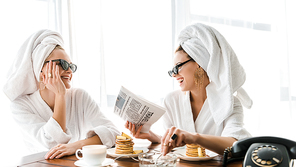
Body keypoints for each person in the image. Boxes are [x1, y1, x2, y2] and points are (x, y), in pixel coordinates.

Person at [125, 23, 253, 156]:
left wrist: (194, 137)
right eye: (172, 70)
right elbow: (175, 144)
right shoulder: (171, 101)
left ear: (199, 63)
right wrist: (153, 136)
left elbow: (235, 144)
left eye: (178, 67)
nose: (174, 74)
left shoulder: (230, 103)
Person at [3, 29, 120, 159]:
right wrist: (60, 95)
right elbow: (52, 143)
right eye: (62, 64)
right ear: (40, 70)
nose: (69, 71)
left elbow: (115, 134)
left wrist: (76, 145)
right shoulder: (20, 105)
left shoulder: (79, 96)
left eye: (71, 66)